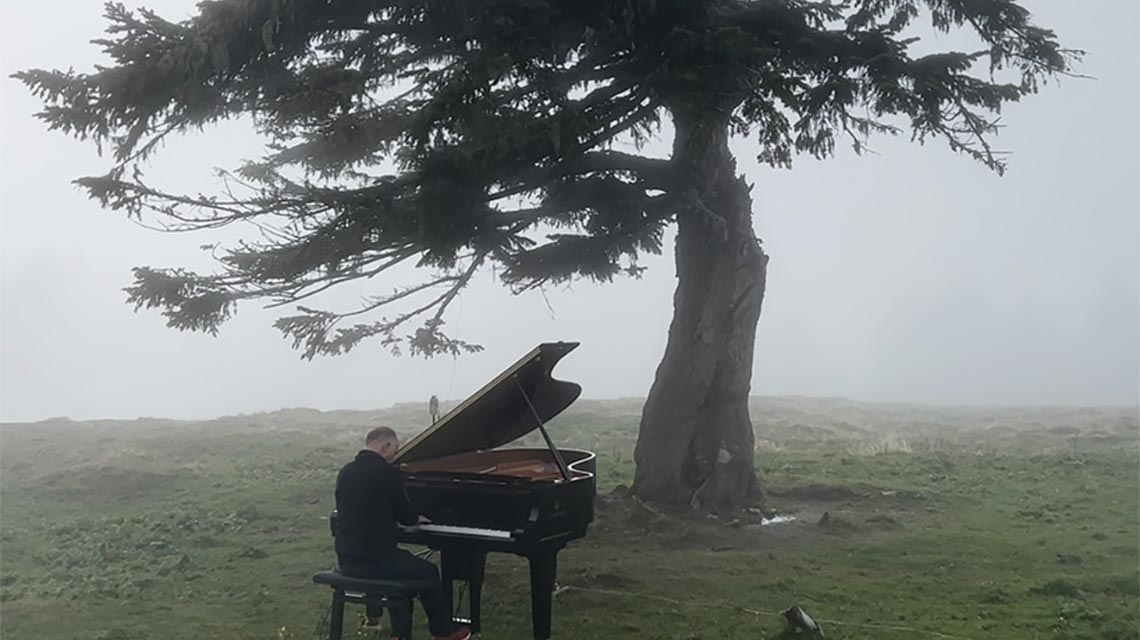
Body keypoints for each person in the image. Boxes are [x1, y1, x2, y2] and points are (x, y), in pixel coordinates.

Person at [334, 426, 471, 640]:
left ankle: (400, 634)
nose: (395, 456)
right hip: (375, 560)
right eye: (395, 450)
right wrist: (417, 518)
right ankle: (444, 633)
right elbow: (406, 517)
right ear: (385, 446)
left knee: (407, 568)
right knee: (429, 571)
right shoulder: (387, 473)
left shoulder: (346, 472)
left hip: (347, 559)